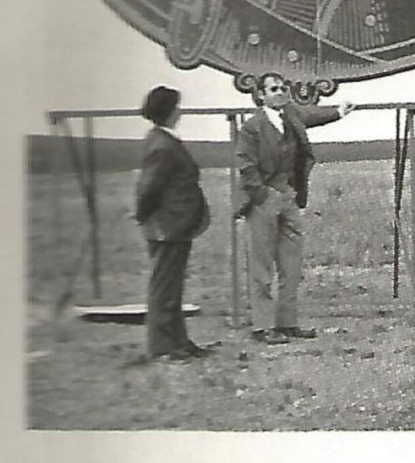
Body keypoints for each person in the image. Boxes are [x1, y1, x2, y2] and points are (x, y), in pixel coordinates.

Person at [236, 72, 355, 345]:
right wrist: (263, 196)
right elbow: (246, 166)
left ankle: (287, 323)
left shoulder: (291, 117)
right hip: (264, 201)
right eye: (274, 88)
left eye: (283, 87)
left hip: (289, 197)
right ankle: (262, 327)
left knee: (291, 265)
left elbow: (312, 116)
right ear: (261, 95)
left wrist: (339, 112)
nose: (281, 92)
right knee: (262, 266)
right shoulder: (252, 127)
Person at [135, 85, 213, 361]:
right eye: (177, 106)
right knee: (164, 289)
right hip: (167, 228)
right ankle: (162, 347)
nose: (180, 110)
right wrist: (146, 217)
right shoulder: (162, 145)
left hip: (173, 227)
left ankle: (179, 342)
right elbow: (149, 188)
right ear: (169, 111)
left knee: (172, 287)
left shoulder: (164, 140)